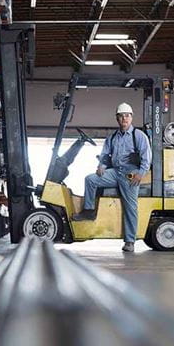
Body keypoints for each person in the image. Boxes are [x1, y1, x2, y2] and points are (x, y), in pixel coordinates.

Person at [72, 102, 152, 252]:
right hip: (115, 172)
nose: (124, 119)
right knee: (90, 179)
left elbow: (146, 157)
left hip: (130, 174)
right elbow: (105, 155)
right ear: (117, 118)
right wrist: (102, 165)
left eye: (127, 116)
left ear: (131, 117)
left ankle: (129, 241)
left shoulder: (139, 136)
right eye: (121, 116)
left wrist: (141, 173)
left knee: (130, 207)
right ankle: (88, 211)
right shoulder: (113, 137)